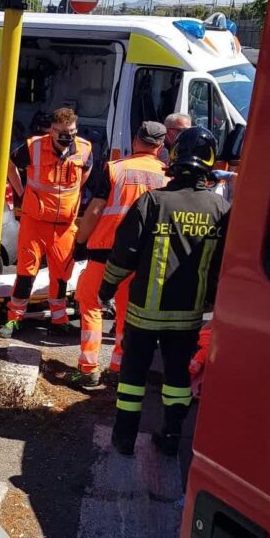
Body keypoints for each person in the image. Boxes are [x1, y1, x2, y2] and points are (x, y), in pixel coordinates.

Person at [98, 127, 230, 457]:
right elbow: (224, 266)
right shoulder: (221, 211)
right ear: (210, 163)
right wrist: (213, 299)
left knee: (132, 379)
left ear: (174, 158)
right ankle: (172, 436)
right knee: (176, 380)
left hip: (144, 313)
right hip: (187, 317)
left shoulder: (153, 202)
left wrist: (107, 287)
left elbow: (123, 254)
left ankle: (124, 439)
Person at [69, 122, 168, 388]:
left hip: (105, 251)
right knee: (127, 312)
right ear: (159, 147)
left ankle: (88, 369)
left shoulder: (115, 168)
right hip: (141, 256)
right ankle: (119, 367)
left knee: (90, 304)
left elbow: (95, 210)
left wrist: (80, 241)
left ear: (136, 140)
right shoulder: (167, 176)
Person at [0, 107, 93, 338]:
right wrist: (21, 192)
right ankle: (14, 319)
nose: (65, 136)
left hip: (64, 226)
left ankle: (59, 319)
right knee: (26, 272)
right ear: (51, 130)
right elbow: (10, 167)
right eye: (60, 131)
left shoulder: (85, 148)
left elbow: (86, 171)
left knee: (61, 275)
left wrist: (74, 196)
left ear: (76, 129)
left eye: (70, 131)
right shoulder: (34, 147)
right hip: (35, 222)